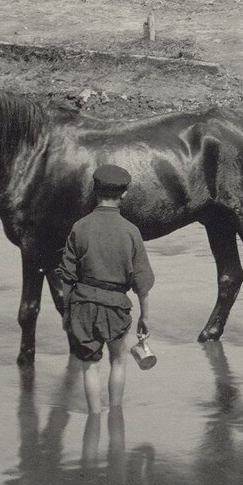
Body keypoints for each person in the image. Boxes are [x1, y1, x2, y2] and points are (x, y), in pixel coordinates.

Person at [50, 163, 154, 414]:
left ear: (94, 192)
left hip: (83, 305)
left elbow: (66, 276)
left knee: (90, 366)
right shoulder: (131, 232)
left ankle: (94, 418)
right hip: (117, 306)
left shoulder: (80, 227)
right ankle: (116, 416)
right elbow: (142, 283)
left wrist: (66, 311)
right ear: (125, 194)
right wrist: (145, 316)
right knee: (118, 361)